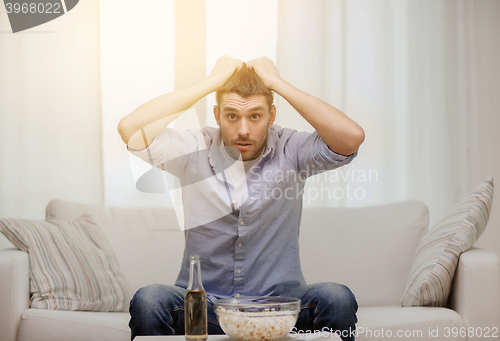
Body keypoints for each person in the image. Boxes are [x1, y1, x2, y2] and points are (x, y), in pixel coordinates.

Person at [118, 55, 365, 341]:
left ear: (271, 116)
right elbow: (130, 130)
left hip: (280, 309)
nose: (243, 130)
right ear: (217, 115)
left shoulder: (292, 149)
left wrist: (277, 83)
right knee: (149, 300)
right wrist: (211, 82)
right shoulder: (194, 147)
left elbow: (351, 136)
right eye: (232, 116)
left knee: (336, 297)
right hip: (204, 309)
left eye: (255, 116)